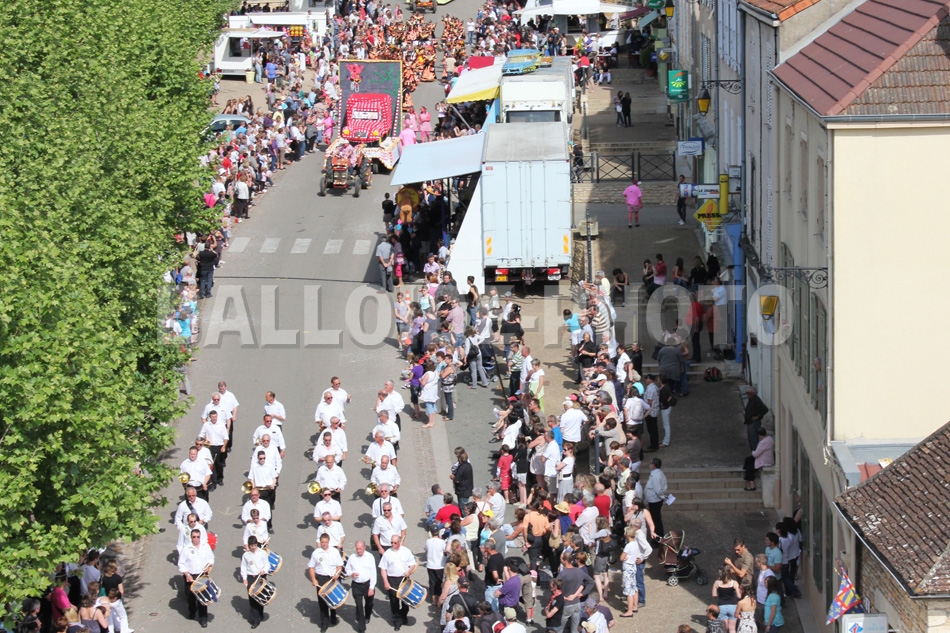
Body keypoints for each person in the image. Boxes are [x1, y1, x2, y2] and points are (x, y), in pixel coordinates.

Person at [379, 535, 417, 631]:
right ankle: (397, 621)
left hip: (404, 579)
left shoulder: (406, 551)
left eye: (395, 543)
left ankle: (403, 616)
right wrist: (386, 582)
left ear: (399, 542)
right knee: (394, 602)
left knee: (405, 601)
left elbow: (412, 564)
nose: (393, 544)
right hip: (392, 579)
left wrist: (409, 571)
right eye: (391, 542)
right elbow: (383, 569)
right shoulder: (387, 553)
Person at [308, 533, 345, 632]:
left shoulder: (334, 552)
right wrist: (313, 579)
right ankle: (324, 623)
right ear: (320, 542)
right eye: (322, 542)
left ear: (328, 542)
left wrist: (337, 574)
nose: (324, 544)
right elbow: (311, 567)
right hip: (321, 578)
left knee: (332, 598)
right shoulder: (316, 553)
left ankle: (333, 615)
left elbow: (339, 566)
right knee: (322, 602)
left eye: (325, 542)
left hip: (332, 578)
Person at [179, 529, 215, 628]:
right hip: (191, 576)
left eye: (198, 537)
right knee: (190, 597)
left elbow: (211, 558)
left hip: (202, 575)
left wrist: (209, 565)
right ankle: (192, 611)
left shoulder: (205, 546)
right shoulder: (186, 549)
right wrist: (187, 574)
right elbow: (181, 563)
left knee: (203, 598)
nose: (196, 539)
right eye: (194, 537)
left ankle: (203, 618)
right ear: (191, 538)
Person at [346, 540, 377, 633]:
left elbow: (373, 572)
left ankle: (367, 615)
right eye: (357, 549)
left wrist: (371, 587)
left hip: (367, 584)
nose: (358, 551)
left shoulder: (370, 557)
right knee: (359, 605)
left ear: (364, 548)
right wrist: (351, 573)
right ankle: (361, 628)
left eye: (360, 549)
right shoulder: (352, 557)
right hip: (356, 585)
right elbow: (347, 569)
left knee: (369, 603)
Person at [240, 536, 269, 629]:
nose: (253, 547)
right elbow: (243, 567)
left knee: (260, 597)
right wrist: (244, 578)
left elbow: (267, 565)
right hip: (251, 577)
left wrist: (264, 571)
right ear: (249, 545)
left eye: (255, 545)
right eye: (251, 545)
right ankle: (255, 620)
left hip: (260, 577)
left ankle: (260, 614)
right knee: (252, 599)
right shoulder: (246, 555)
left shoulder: (262, 553)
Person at [644, 458, 667, 542]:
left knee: (656, 520)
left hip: (655, 500)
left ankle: (658, 538)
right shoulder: (656, 474)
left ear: (653, 465)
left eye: (651, 463)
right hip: (654, 500)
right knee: (656, 519)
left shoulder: (656, 476)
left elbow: (658, 490)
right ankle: (658, 537)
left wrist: (663, 497)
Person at [712, 567, 740, 633]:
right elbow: (739, 596)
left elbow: (714, 595)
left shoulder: (717, 583)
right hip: (733, 606)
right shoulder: (734, 583)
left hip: (721, 606)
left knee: (724, 629)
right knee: (732, 629)